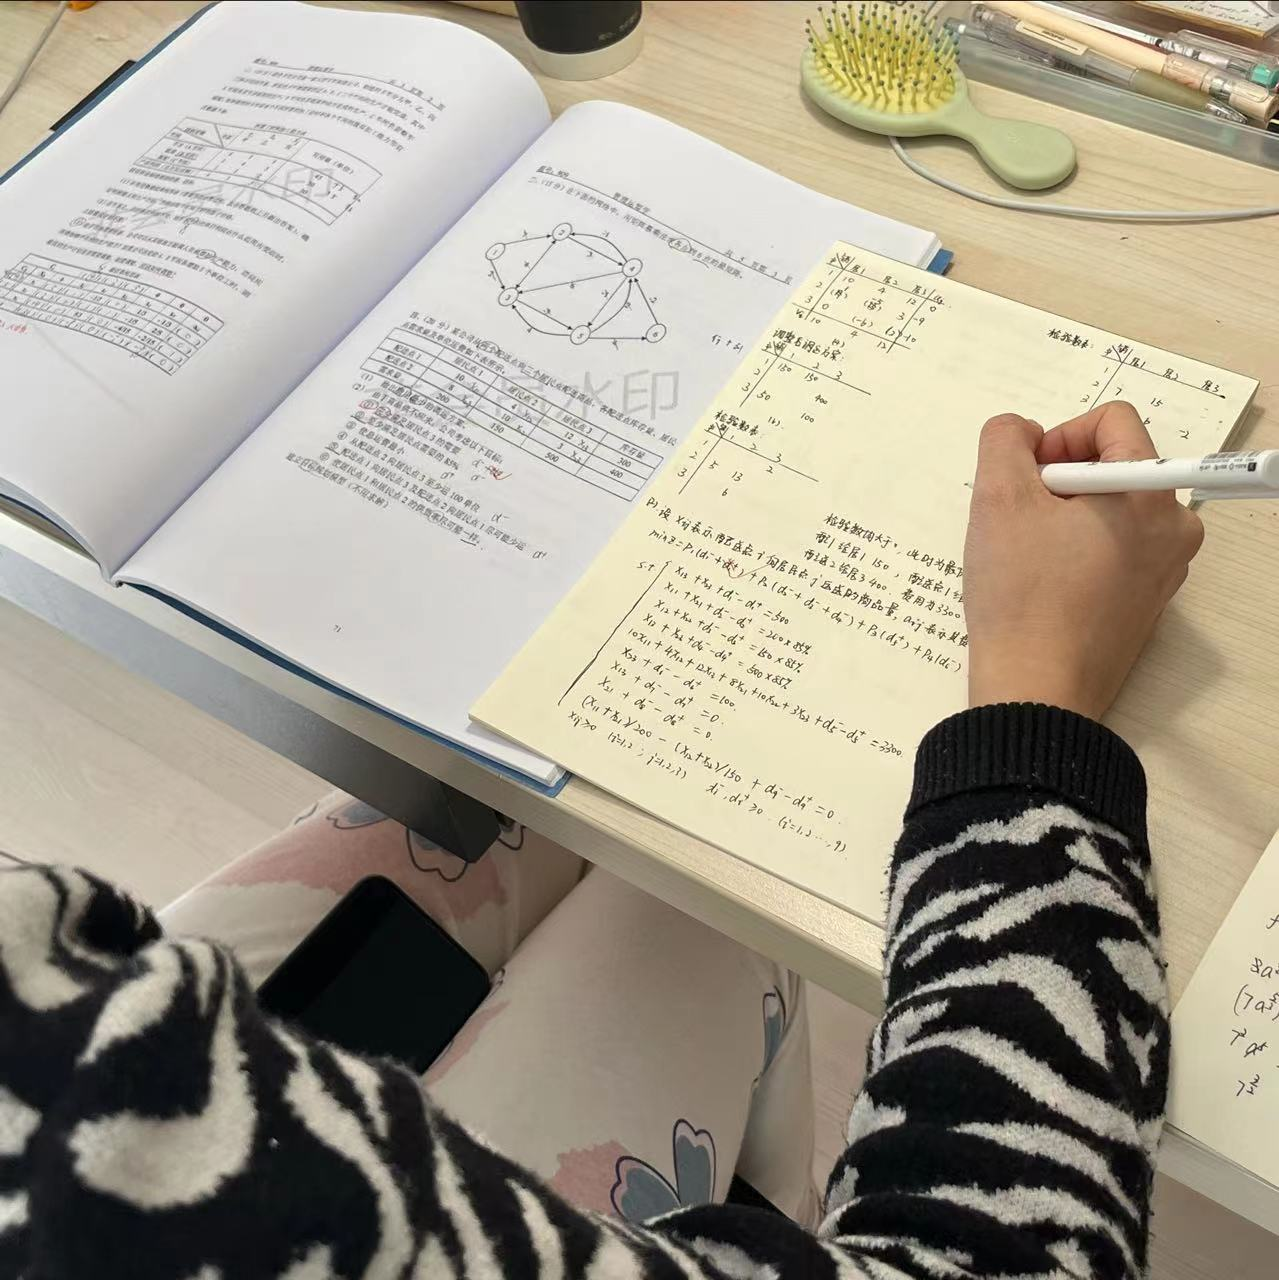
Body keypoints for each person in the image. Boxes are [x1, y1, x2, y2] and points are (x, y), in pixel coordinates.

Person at [0, 402, 1203, 1279]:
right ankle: (777, 1213)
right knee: (695, 884)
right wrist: (1036, 698)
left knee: (558, 816)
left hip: (97, 1059)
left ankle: (769, 1193)